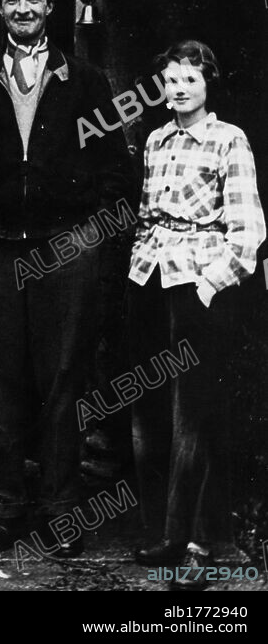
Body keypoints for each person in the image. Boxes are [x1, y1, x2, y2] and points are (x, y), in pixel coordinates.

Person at [0, 0, 133, 552]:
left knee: (63, 380)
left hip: (65, 248)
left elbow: (118, 172)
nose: (22, 7)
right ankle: (4, 508)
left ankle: (62, 510)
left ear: (49, 7)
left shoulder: (87, 82)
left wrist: (92, 237)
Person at [128, 41, 265, 590]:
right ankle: (167, 532)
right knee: (153, 415)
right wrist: (142, 266)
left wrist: (209, 286)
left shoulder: (230, 139)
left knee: (199, 418)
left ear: (208, 84)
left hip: (199, 287)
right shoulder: (157, 140)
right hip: (149, 282)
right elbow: (145, 217)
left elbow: (249, 233)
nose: (180, 88)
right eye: (171, 79)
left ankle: (200, 545)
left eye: (190, 79)